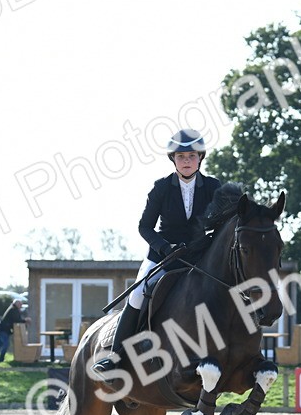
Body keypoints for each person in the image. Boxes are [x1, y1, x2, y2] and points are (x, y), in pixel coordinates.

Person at [92, 129, 221, 374]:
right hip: (163, 256)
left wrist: (203, 244)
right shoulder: (161, 187)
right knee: (138, 293)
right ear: (173, 159)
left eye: (191, 156)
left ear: (200, 158)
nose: (186, 161)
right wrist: (164, 247)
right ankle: (115, 357)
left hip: (199, 257)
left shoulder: (214, 187)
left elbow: (224, 225)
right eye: (181, 156)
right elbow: (144, 226)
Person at [0, 298, 30, 363]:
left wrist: (24, 320)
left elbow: (17, 319)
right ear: (16, 304)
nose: (21, 306)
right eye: (20, 304)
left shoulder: (13, 309)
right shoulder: (13, 310)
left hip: (3, 329)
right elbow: (17, 320)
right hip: (4, 330)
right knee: (6, 345)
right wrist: (26, 320)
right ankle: (0, 359)